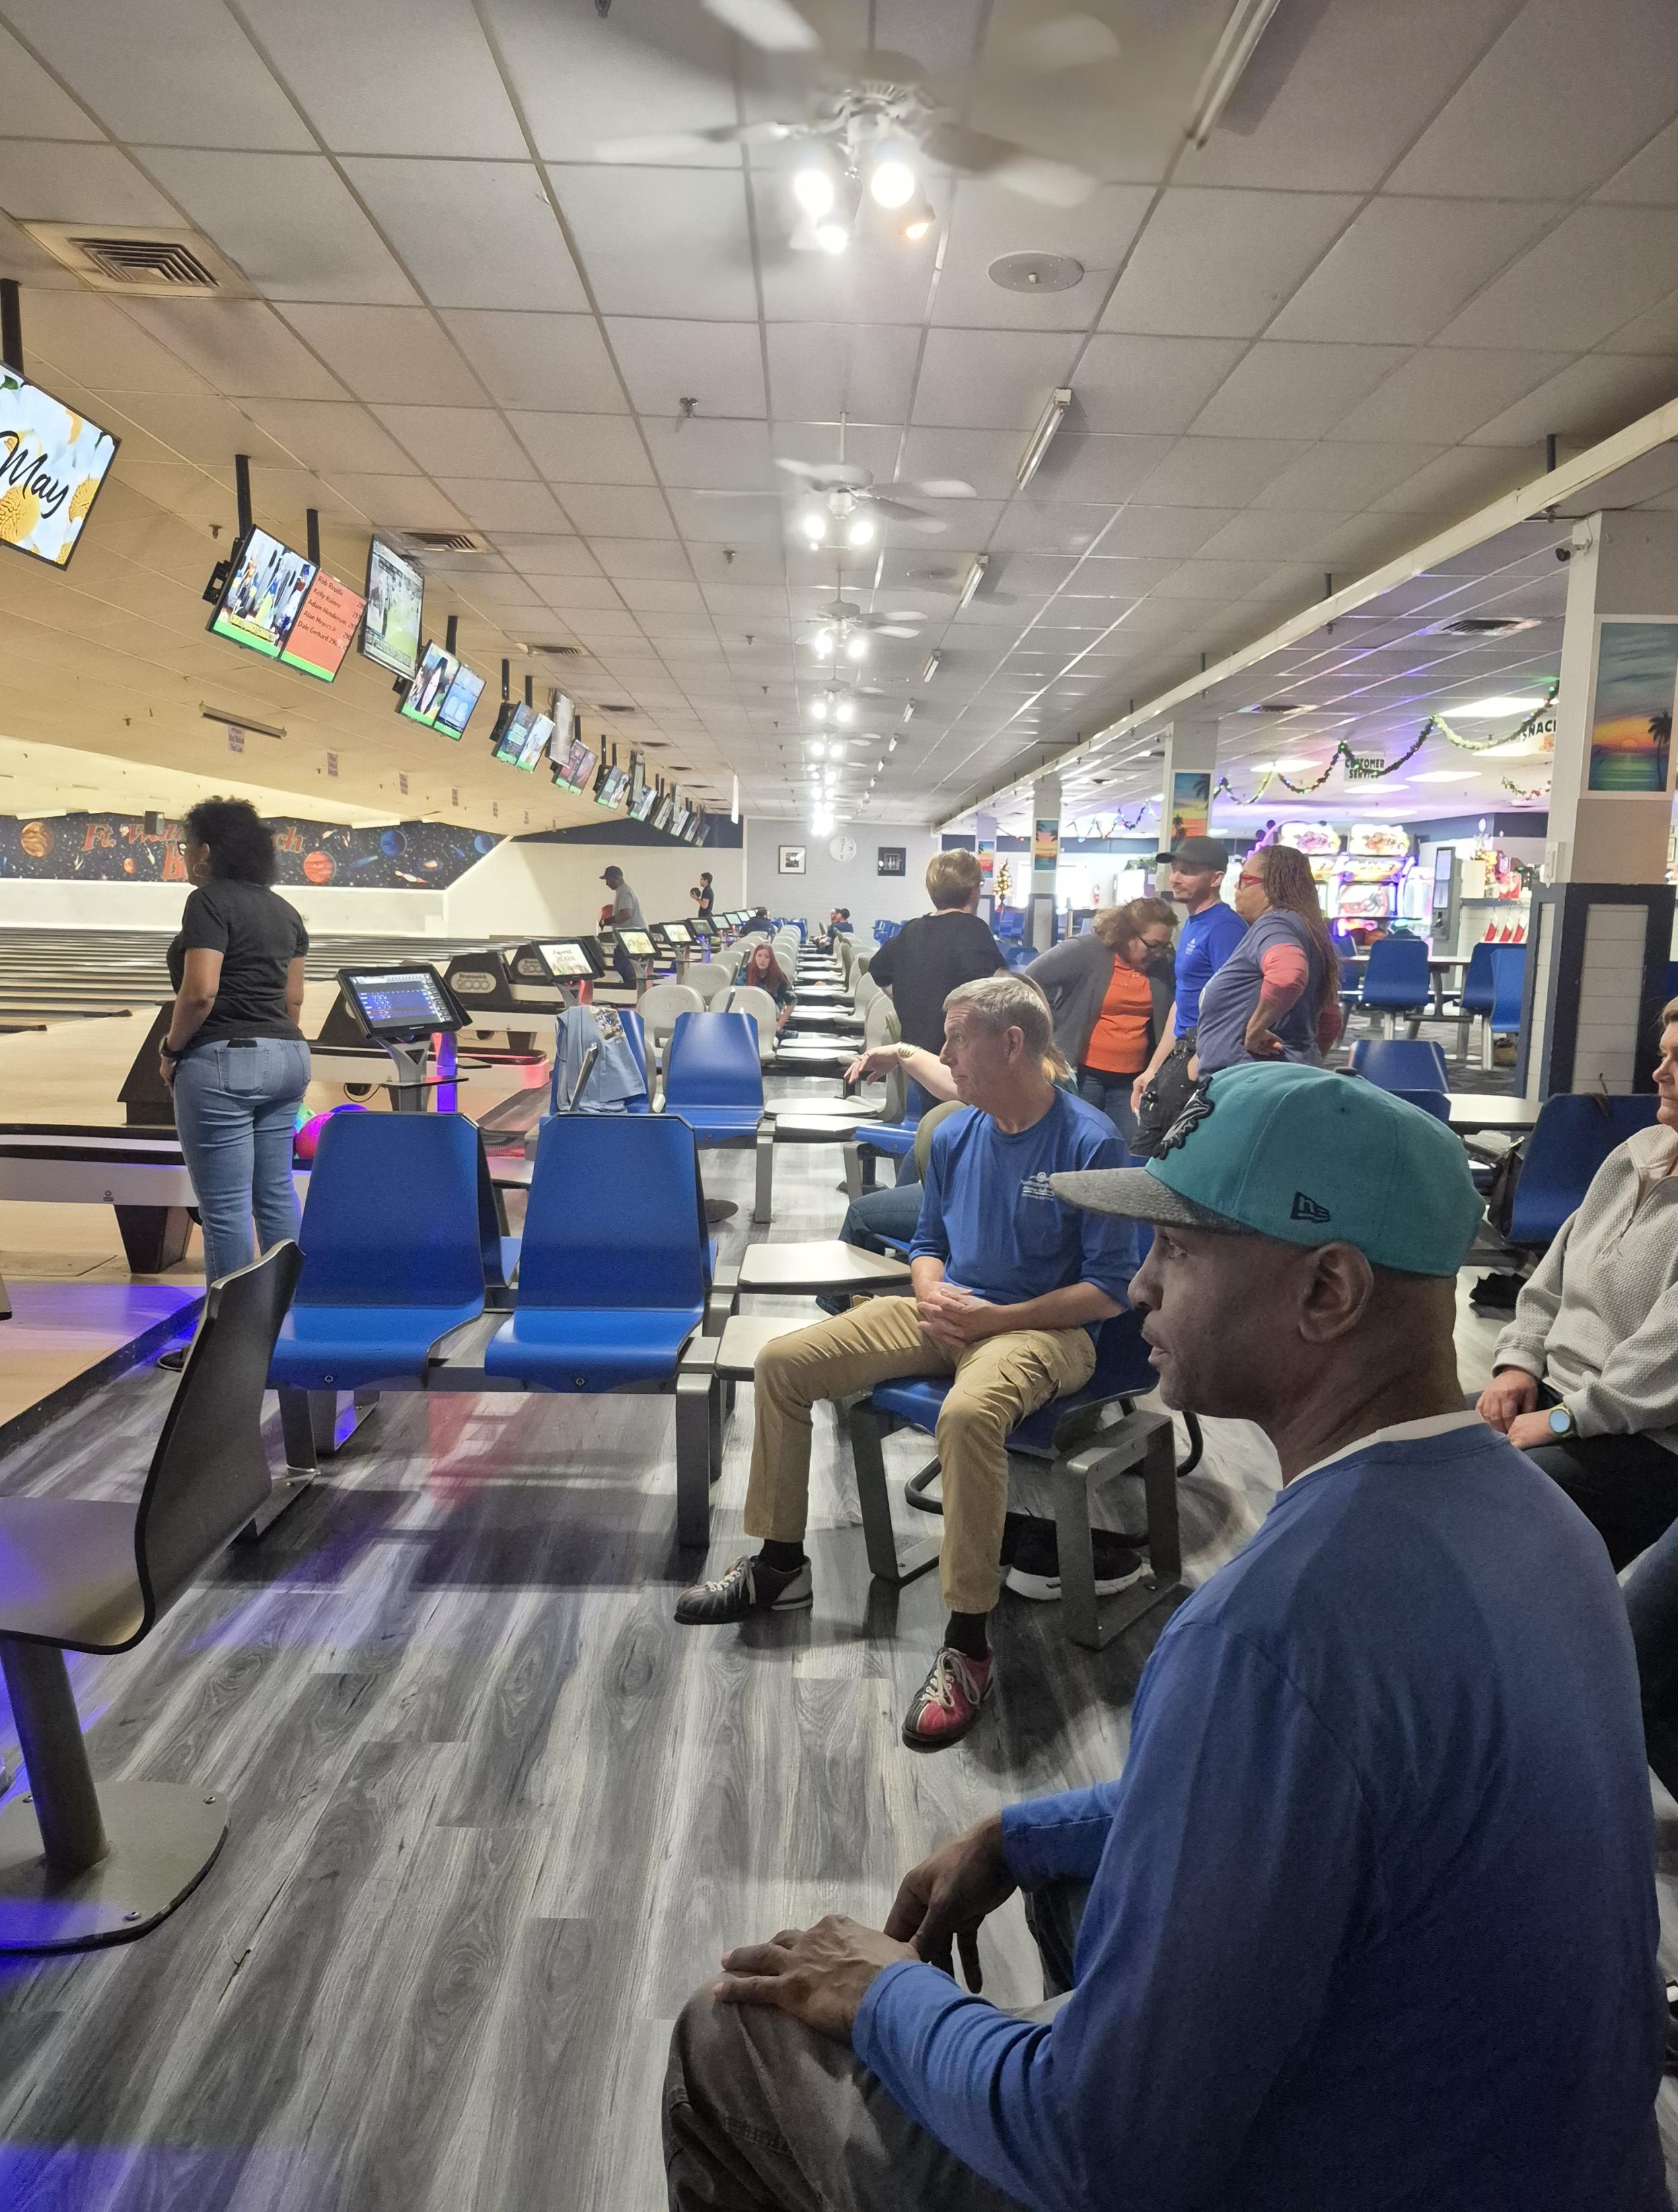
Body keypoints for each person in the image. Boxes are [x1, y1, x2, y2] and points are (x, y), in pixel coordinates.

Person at [665, 1065, 1668, 2212]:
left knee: (726, 2033)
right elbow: (1329, 1796)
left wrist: (885, 1990)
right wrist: (1022, 1829)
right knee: (1075, 1883)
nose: (1136, 1285)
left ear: (1326, 1290)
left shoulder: (1268, 1632)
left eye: (1177, 1249)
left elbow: (1102, 2153)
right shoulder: (1544, 1524)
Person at [673, 976, 1137, 1748]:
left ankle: (967, 1639)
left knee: (966, 1412)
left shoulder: (1089, 1140)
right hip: (952, 1310)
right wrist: (931, 1296)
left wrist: (995, 1317)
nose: (944, 1052)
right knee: (786, 1362)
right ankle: (781, 1564)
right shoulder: (957, 1132)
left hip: (1047, 1332)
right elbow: (927, 1244)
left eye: (957, 1037)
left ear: (1011, 1043)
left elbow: (1108, 1290)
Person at [1477, 997, 1678, 1572]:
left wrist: (1564, 1420)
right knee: (1410, 1447)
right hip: (1555, 1396)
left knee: (1483, 1504)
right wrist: (1517, 1364)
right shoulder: (1634, 1155)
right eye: (1662, 1055)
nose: (1659, 1073)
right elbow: (1550, 1279)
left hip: (1645, 1440)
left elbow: (1661, 1367)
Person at [159, 798, 311, 1360]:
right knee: (274, 1194)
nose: (185, 857)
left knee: (224, 1208)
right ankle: (289, 1327)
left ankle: (225, 1349)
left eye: (185, 846)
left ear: (205, 851)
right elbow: (293, 1000)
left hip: (223, 1060)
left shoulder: (208, 902)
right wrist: (272, 1051)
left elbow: (199, 991)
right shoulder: (286, 911)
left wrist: (172, 1049)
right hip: (288, 1058)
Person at [1027, 898, 1177, 1142]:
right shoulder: (1086, 950)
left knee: (1126, 1144)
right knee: (1079, 1140)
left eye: (1164, 946)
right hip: (1085, 1076)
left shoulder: (1163, 964)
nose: (1158, 953)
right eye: (1152, 945)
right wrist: (1056, 1018)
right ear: (1128, 934)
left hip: (1131, 1079)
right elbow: (1032, 977)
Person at [1130, 836, 1244, 1154]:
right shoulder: (1193, 924)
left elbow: (1236, 1003)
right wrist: (1154, 1068)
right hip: (1182, 1050)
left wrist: (1198, 1062)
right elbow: (1183, 1002)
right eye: (1176, 869)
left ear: (1216, 878)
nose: (1176, 877)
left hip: (1200, 1053)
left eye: (1189, 871)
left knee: (1157, 1154)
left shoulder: (1225, 927)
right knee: (1146, 1151)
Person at [1192, 841, 1342, 1079]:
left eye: (1243, 879)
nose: (1236, 888)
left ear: (1271, 887)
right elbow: (1331, 1020)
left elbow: (1287, 975)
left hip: (1251, 1082)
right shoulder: (1309, 929)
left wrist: (1255, 1029)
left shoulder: (1275, 923)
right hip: (1281, 1077)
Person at [867, 852, 1005, 1054]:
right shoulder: (974, 930)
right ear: (973, 889)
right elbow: (995, 995)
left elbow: (878, 968)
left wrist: (909, 999)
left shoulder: (912, 929)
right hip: (956, 1063)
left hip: (916, 1058)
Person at [601, 861, 646, 984]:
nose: (607, 883)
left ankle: (630, 991)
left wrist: (607, 921)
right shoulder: (625, 890)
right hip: (635, 937)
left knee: (623, 965)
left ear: (616, 878)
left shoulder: (624, 891)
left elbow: (627, 914)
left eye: (608, 880)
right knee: (626, 966)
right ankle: (633, 990)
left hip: (630, 938)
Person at [735, 940, 795, 1032]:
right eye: (759, 956)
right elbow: (736, 994)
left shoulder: (777, 975)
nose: (762, 960)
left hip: (770, 1018)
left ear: (771, 960)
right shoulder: (747, 971)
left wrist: (780, 1024)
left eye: (767, 957)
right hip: (747, 1017)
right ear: (755, 957)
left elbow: (793, 1001)